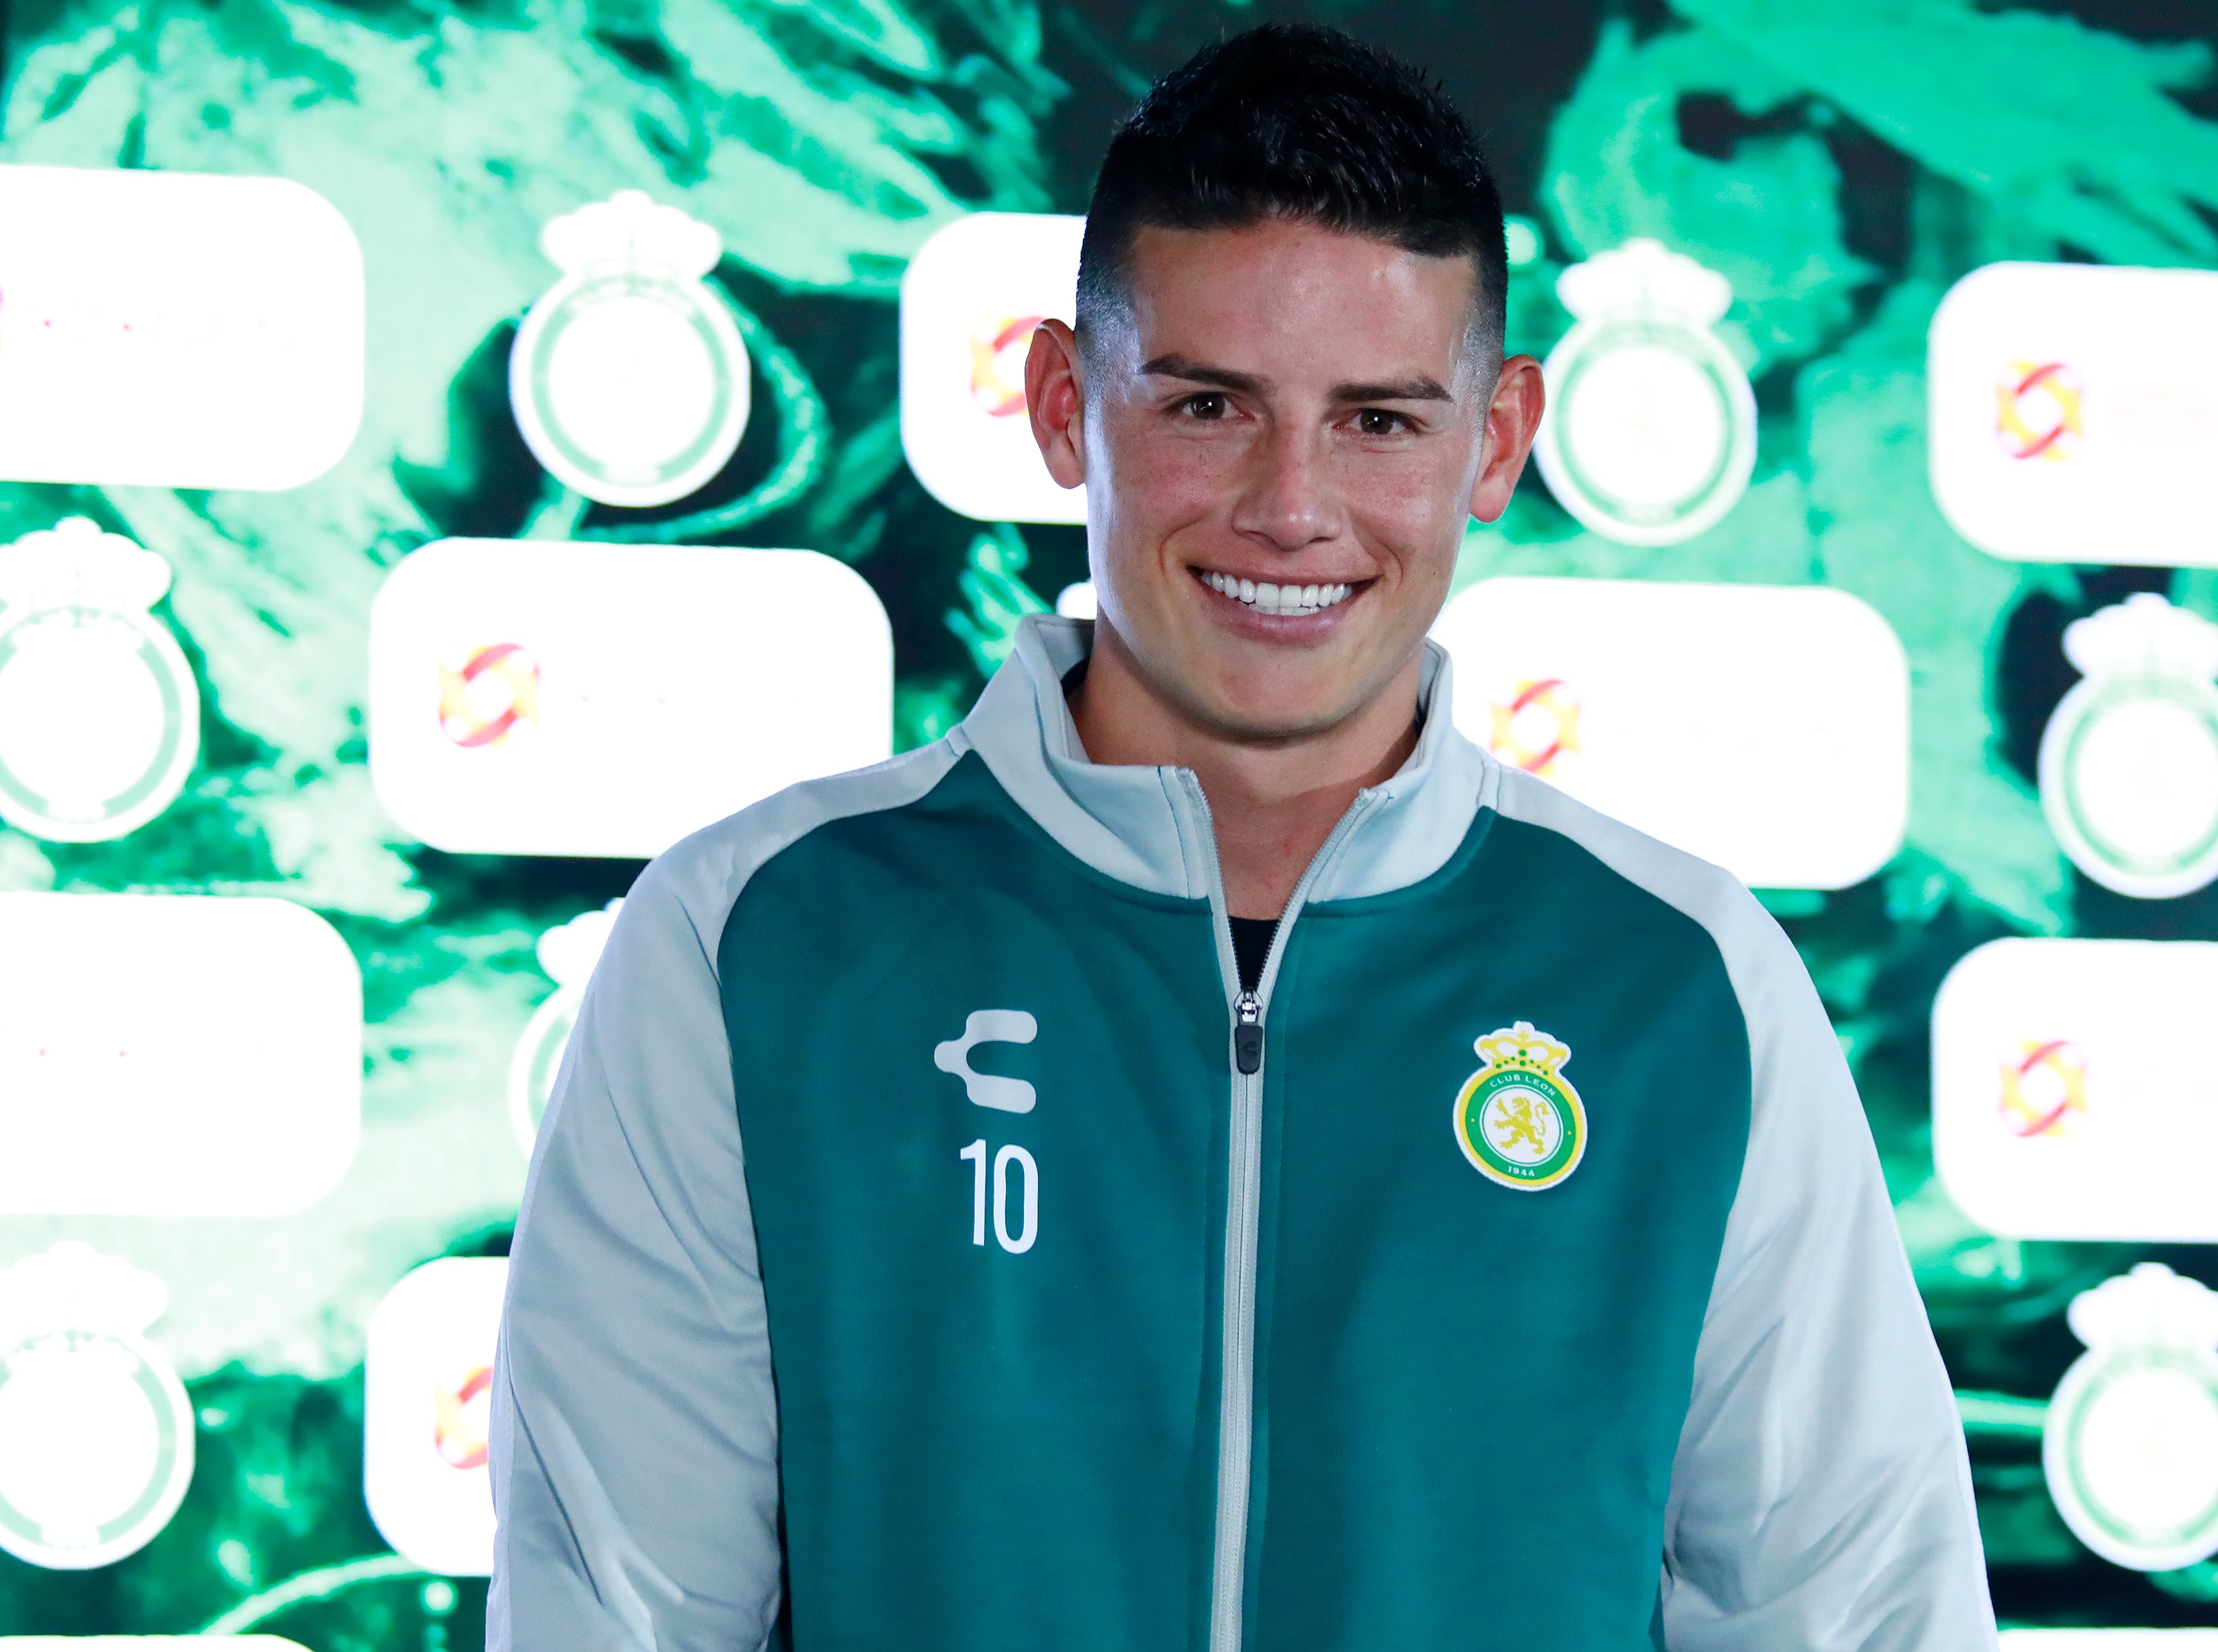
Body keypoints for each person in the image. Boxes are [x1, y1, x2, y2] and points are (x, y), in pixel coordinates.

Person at [488, 23, 1996, 1651]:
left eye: (1380, 420)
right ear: (1067, 405)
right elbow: (616, 1620)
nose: (1293, 504)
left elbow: (1860, 1623)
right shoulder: (758, 940)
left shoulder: (1684, 990)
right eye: (1211, 405)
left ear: (1494, 440)